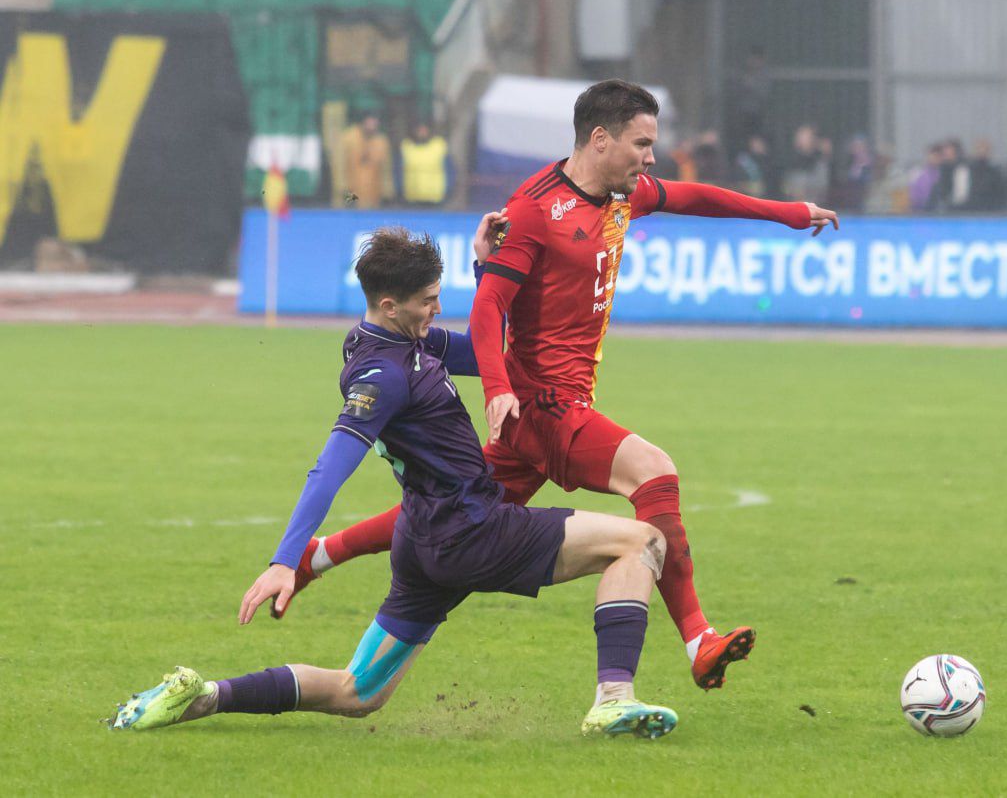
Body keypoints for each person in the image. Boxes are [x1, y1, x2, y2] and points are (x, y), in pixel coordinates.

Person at [287, 79, 839, 693]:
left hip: (543, 413)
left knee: (462, 505)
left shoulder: (622, 195)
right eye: (642, 143)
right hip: (545, 408)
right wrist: (497, 387)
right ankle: (697, 638)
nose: (651, 156)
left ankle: (320, 555)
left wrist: (786, 212)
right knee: (655, 474)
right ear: (599, 139)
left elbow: (694, 197)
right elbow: (488, 308)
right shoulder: (534, 210)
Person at [108, 227, 678, 739]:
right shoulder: (383, 377)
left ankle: (204, 695)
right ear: (390, 303)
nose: (437, 309)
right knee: (642, 542)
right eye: (428, 301)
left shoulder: (400, 341)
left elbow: (491, 351)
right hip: (471, 530)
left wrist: (487, 268)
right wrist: (286, 558)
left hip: (425, 537)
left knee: (359, 693)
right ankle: (612, 700)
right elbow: (329, 468)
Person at [340, 112, 393, 209]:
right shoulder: (349, 138)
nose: (372, 126)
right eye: (369, 122)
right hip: (351, 191)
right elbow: (340, 166)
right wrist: (345, 192)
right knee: (351, 216)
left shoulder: (381, 141)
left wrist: (387, 192)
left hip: (374, 194)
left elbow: (386, 169)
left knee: (372, 219)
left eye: (375, 123)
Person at [399, 121, 453, 206]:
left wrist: (449, 190)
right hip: (412, 198)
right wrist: (399, 190)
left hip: (436, 198)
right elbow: (398, 171)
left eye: (424, 130)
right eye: (419, 130)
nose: (422, 133)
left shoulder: (439, 146)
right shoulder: (406, 146)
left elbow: (450, 170)